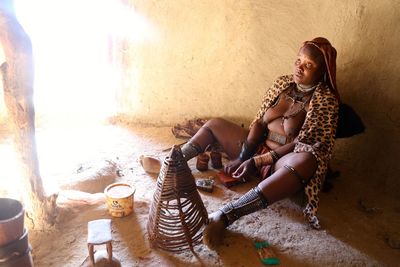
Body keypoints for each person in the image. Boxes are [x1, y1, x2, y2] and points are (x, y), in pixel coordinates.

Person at [180, 37, 340, 247]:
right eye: (298, 61)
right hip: (256, 148)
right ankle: (173, 161)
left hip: (280, 163)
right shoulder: (282, 84)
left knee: (307, 160)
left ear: (322, 71)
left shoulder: (325, 100)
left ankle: (225, 216)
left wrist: (257, 162)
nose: (300, 68)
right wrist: (243, 157)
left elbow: (305, 144)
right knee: (216, 124)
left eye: (309, 65)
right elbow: (258, 122)